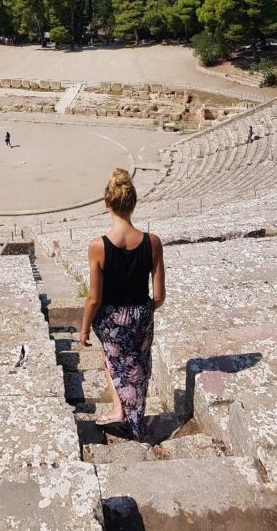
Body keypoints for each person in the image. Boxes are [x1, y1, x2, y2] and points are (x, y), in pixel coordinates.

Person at [80, 169, 165, 442]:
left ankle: (119, 409)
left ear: (107, 204)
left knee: (112, 359)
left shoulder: (98, 246)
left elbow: (94, 298)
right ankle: (133, 417)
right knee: (138, 365)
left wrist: (84, 329)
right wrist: (141, 313)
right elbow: (159, 296)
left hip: (112, 320)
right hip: (142, 315)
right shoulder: (153, 242)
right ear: (134, 202)